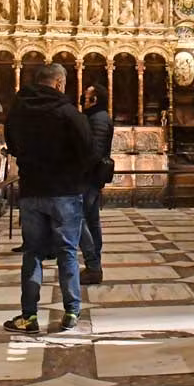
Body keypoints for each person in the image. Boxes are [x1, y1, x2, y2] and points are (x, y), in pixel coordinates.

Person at [3, 63, 93, 334]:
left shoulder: (18, 111)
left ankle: (28, 316)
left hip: (32, 189)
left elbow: (13, 145)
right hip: (64, 191)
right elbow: (88, 148)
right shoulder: (68, 112)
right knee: (67, 252)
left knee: (32, 253)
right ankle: (71, 312)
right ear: (59, 83)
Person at [79, 83, 114, 285]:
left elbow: (96, 150)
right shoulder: (96, 117)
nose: (83, 100)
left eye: (86, 97)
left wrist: (81, 171)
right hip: (93, 176)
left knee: (80, 219)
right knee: (91, 221)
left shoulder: (98, 118)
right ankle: (94, 264)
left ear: (95, 99)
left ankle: (93, 264)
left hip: (89, 177)